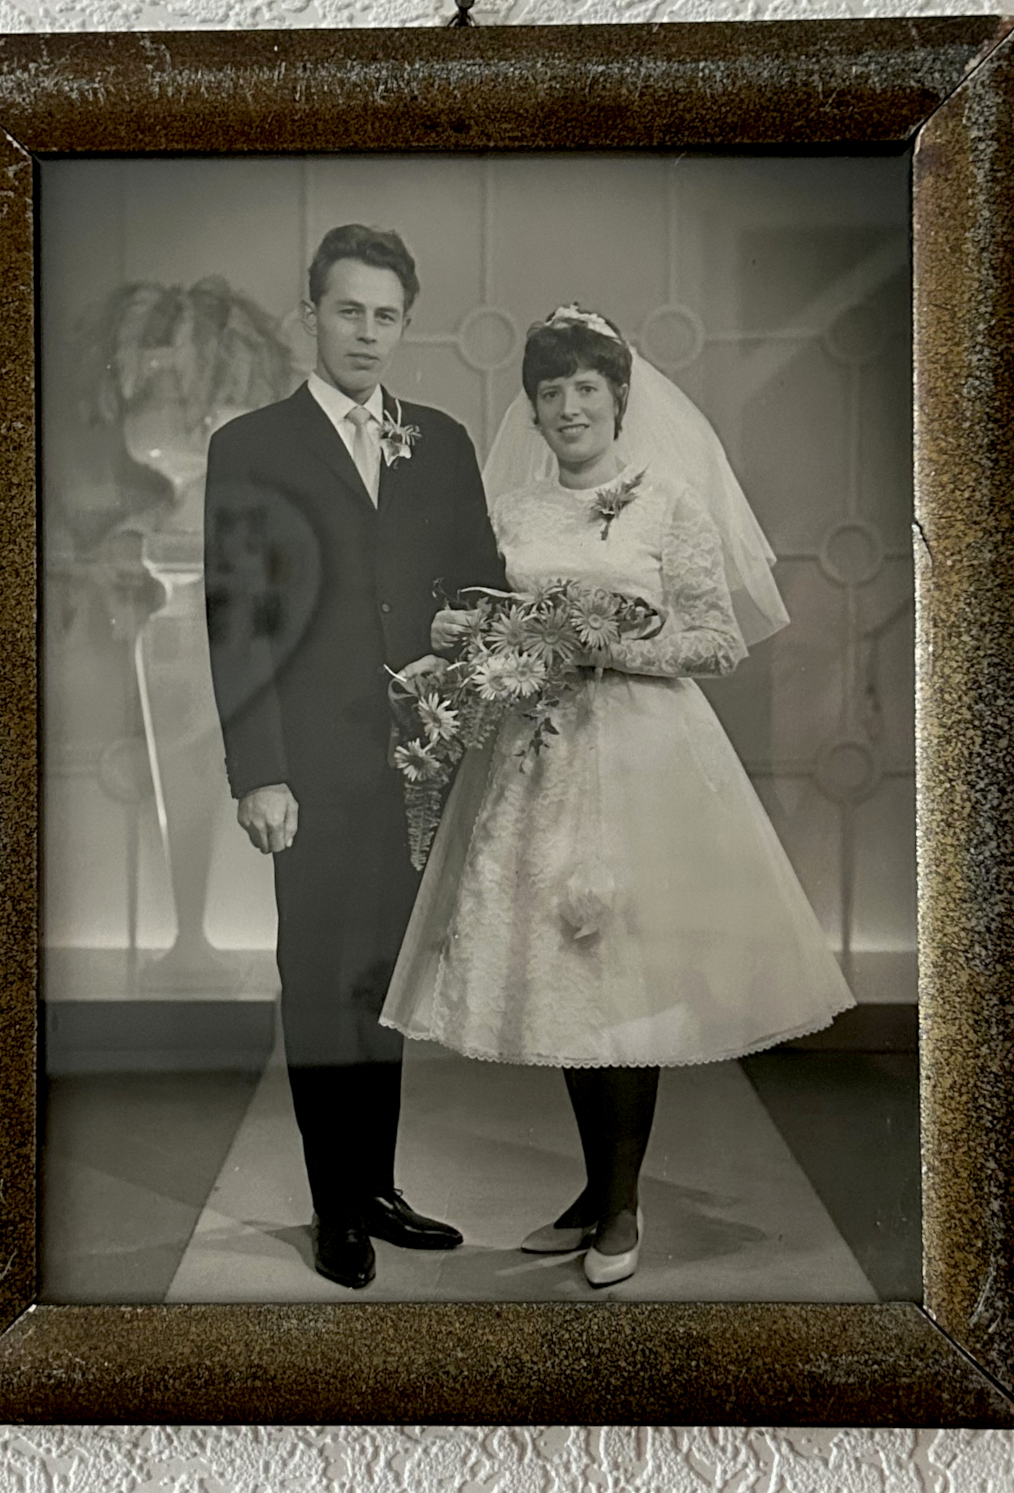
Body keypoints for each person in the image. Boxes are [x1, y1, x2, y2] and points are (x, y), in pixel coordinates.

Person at [380, 304, 856, 1286]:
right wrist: (471, 635)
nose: (568, 409)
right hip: (535, 759)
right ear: (532, 408)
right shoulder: (514, 513)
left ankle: (624, 1205)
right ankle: (596, 1189)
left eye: (586, 389)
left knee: (622, 974)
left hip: (643, 760)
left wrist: (606, 646)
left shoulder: (666, 502)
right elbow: (490, 615)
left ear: (620, 398)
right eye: (550, 392)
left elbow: (716, 641)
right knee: (564, 974)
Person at [203, 224, 506, 1289]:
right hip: (311, 768)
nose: (367, 333)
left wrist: (466, 672)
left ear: (404, 324)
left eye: (386, 315)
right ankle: (334, 1207)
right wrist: (260, 771)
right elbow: (237, 619)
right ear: (312, 316)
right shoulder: (252, 445)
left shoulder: (443, 442)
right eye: (348, 311)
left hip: (419, 765)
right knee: (320, 979)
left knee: (386, 978)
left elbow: (480, 587)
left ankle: (376, 1188)